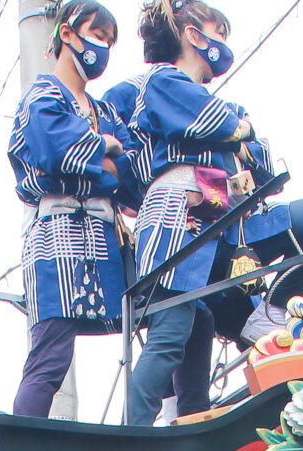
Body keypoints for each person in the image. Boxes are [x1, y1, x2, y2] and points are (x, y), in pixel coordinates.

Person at [123, 2, 264, 428]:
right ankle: (132, 435)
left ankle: (193, 426)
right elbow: (225, 125)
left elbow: (255, 156)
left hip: (210, 216)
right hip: (175, 215)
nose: (221, 43)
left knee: (196, 323)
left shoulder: (186, 90)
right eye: (215, 31)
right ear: (191, 34)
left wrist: (243, 137)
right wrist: (242, 129)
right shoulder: (165, 80)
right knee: (169, 334)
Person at [9, 2, 132, 417]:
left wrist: (99, 156)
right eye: (97, 35)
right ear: (67, 33)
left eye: (110, 41)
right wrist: (103, 150)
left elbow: (130, 169)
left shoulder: (105, 111)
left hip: (105, 232)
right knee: (51, 353)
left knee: (167, 312)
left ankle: (172, 417)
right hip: (56, 227)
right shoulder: (41, 97)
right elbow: (56, 151)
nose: (103, 47)